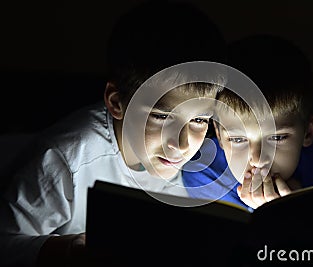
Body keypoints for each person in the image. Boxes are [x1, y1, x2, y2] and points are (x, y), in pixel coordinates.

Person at [0, 1, 227, 267]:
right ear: (117, 102)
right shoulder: (67, 160)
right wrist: (68, 251)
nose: (183, 143)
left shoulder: (199, 163)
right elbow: (5, 242)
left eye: (200, 119)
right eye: (162, 116)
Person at [182, 34, 313, 259]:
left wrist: (304, 209)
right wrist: (277, 217)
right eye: (238, 140)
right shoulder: (201, 175)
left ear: (308, 132)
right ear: (219, 134)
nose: (258, 158)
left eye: (277, 138)